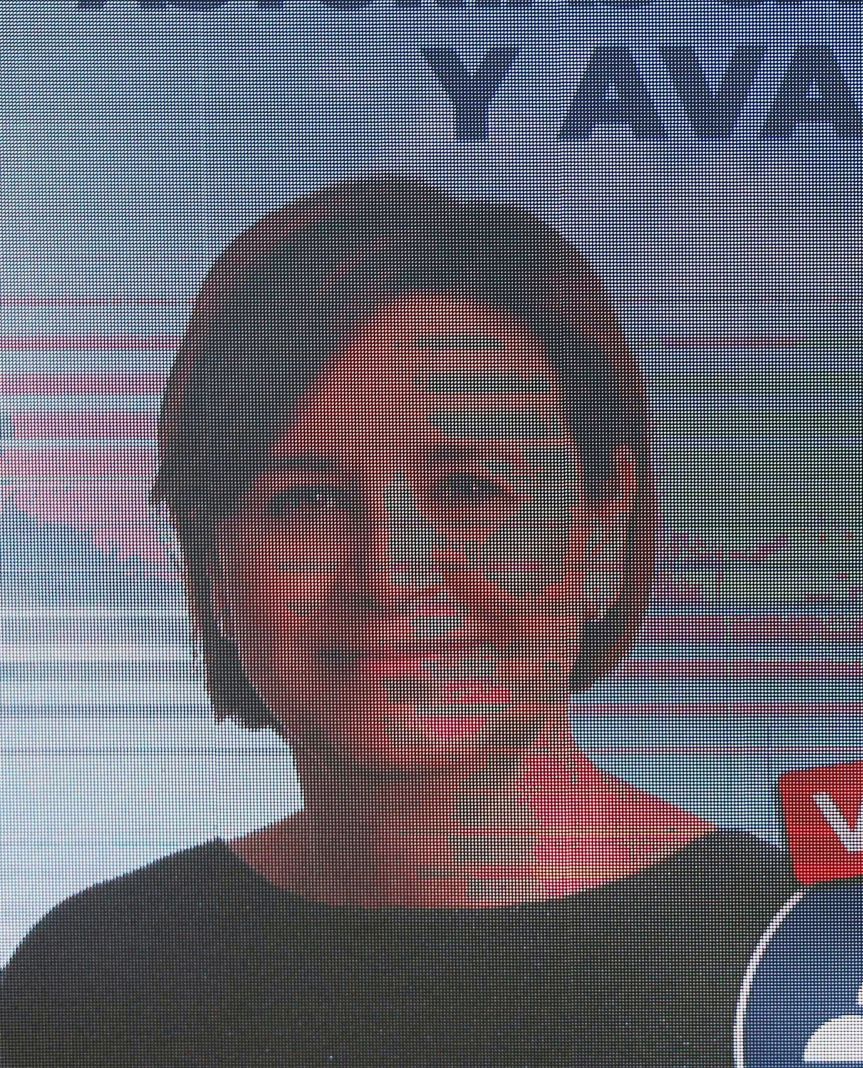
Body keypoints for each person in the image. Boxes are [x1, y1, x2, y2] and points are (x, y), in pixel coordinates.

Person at [0, 178, 794, 1066]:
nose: (389, 574)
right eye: (304, 503)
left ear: (605, 528)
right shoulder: (89, 982)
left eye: (469, 491)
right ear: (211, 558)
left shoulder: (813, 960)